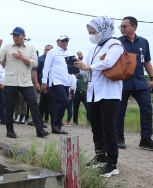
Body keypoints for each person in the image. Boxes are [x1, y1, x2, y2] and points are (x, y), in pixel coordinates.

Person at [74, 16, 123, 178]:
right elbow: (86, 69)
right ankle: (100, 157)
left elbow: (108, 63)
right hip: (94, 93)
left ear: (103, 30)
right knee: (95, 126)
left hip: (109, 92)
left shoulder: (115, 45)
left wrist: (88, 66)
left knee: (108, 127)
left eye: (93, 32)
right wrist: (78, 65)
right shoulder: (94, 48)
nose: (91, 35)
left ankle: (112, 163)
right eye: (90, 32)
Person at [0, 27, 49, 139]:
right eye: (13, 35)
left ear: (23, 36)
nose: (15, 37)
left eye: (17, 35)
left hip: (26, 81)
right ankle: (9, 130)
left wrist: (22, 58)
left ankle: (39, 129)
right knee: (9, 106)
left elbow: (34, 63)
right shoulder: (7, 47)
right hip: (11, 81)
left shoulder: (31, 48)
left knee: (33, 103)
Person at [115, 16, 153, 150]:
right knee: (119, 111)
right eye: (121, 27)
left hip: (140, 82)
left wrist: (152, 77)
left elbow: (147, 61)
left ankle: (146, 139)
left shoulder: (144, 42)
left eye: (124, 26)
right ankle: (119, 138)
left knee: (147, 108)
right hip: (122, 82)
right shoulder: (117, 42)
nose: (122, 29)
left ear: (134, 27)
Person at [41, 34, 75, 134]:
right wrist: (44, 81)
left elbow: (72, 68)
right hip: (55, 81)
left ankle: (56, 126)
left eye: (66, 40)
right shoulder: (52, 52)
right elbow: (46, 67)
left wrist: (80, 59)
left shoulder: (69, 53)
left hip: (66, 82)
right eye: (62, 40)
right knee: (64, 101)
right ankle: (56, 124)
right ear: (57, 41)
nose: (65, 42)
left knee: (58, 103)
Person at [0, 60, 6, 124]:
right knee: (2, 103)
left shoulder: (9, 68)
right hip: (0, 88)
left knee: (8, 103)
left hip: (8, 87)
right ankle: (3, 119)